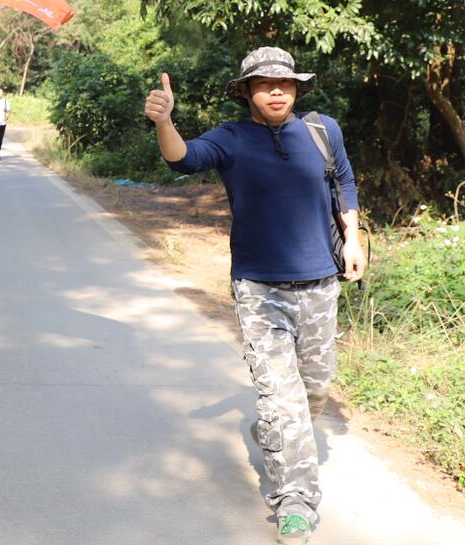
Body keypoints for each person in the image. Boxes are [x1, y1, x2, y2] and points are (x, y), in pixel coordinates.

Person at [143, 47, 366, 545]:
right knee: (281, 401)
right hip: (258, 288)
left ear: (296, 88)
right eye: (264, 83)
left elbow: (344, 182)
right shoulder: (232, 138)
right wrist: (165, 120)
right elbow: (183, 159)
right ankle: (295, 504)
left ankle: (273, 434)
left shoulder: (322, 130)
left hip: (319, 284)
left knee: (314, 391)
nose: (276, 90)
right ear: (245, 91)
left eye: (284, 83)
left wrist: (352, 237)